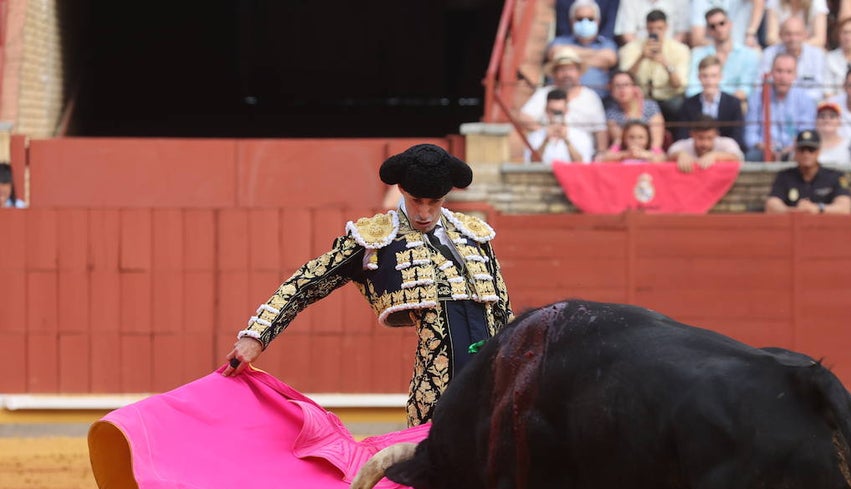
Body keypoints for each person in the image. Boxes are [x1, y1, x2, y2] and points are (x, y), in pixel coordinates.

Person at [224, 144, 514, 427]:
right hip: (438, 390)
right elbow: (305, 283)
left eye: (433, 203)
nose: (424, 213)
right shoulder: (374, 239)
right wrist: (256, 336)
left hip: (497, 378)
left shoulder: (473, 235)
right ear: (401, 190)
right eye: (416, 201)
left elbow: (503, 309)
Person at [519, 48, 610, 152]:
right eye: (562, 70)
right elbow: (523, 117)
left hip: (582, 154)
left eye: (570, 69)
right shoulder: (544, 93)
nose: (566, 74)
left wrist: (601, 153)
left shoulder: (590, 97)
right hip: (548, 150)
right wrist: (544, 131)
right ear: (554, 73)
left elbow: (600, 130)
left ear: (579, 72)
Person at [618, 9, 692, 122]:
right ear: (646, 28)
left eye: (659, 28)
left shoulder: (680, 50)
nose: (655, 32)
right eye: (651, 28)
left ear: (666, 27)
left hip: (669, 98)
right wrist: (641, 58)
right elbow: (624, 80)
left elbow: (678, 85)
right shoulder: (631, 48)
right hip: (640, 99)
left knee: (680, 107)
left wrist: (666, 63)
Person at [745, 52, 818, 159]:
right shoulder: (757, 98)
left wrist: (792, 147)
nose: (783, 77)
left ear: (795, 75)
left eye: (789, 72)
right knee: (752, 156)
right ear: (771, 73)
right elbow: (750, 135)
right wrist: (763, 146)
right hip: (763, 150)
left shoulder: (805, 99)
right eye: (779, 71)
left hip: (794, 150)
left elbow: (806, 132)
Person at [685, 6, 762, 106]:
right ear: (708, 30)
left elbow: (746, 90)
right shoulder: (698, 54)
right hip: (703, 104)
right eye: (713, 26)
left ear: (730, 24)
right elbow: (692, 89)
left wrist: (720, 103)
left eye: (722, 23)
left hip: (734, 106)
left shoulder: (749, 55)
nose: (718, 29)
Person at [765, 129, 851, 214]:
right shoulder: (784, 176)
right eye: (802, 150)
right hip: (794, 226)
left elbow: (845, 208)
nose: (806, 154)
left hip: (826, 227)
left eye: (811, 150)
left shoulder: (835, 176)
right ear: (795, 151)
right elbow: (771, 205)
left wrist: (818, 208)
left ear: (818, 151)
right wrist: (793, 211)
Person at [546, 0, 620, 98]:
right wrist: (596, 56)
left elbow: (610, 58)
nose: (585, 22)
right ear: (571, 21)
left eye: (590, 19)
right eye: (580, 19)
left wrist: (570, 57)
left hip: (600, 100)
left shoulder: (606, 43)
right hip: (561, 98)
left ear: (598, 21)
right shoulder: (559, 41)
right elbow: (555, 53)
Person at [675, 54, 747, 149]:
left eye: (713, 76)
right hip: (696, 151)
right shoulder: (688, 104)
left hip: (725, 153)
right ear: (699, 77)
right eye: (705, 76)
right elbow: (682, 136)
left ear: (720, 77)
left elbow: (737, 137)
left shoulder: (733, 103)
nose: (709, 81)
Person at [759, 16, 827, 104]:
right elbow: (761, 85)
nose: (793, 39)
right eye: (788, 34)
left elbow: (820, 89)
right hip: (775, 102)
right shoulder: (769, 54)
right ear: (780, 35)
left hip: (808, 104)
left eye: (797, 34)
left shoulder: (817, 55)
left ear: (805, 35)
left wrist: (796, 99)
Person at [524, 89, 597, 164]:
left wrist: (566, 140)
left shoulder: (581, 136)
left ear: (566, 110)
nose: (556, 115)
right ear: (546, 110)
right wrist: (545, 141)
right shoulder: (535, 136)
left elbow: (583, 165)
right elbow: (531, 164)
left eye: (559, 112)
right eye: (552, 111)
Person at [603, 69, 668, 149]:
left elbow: (656, 144)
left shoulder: (650, 106)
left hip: (651, 156)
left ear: (635, 87)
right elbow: (620, 142)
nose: (622, 90)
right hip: (625, 155)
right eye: (617, 86)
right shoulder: (611, 113)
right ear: (611, 90)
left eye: (626, 85)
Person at [667, 115, 746, 171]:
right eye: (700, 138)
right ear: (692, 134)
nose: (705, 143)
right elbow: (670, 153)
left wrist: (715, 156)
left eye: (709, 138)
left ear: (716, 135)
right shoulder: (684, 145)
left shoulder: (727, 142)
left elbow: (737, 156)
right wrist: (680, 155)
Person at [688, 0, 766, 49]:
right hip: (714, 54)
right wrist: (724, 46)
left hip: (745, 48)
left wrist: (751, 32)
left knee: (756, 53)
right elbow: (697, 39)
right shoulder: (699, 2)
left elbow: (759, 2)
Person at [615, 0, 691, 44]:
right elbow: (627, 34)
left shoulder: (681, 1)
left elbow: (682, 33)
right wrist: (643, 49)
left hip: (671, 49)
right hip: (639, 49)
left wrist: (665, 49)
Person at [765, 0, 830, 48]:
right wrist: (789, 46)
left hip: (809, 49)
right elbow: (771, 38)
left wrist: (796, 46)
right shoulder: (775, 2)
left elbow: (820, 40)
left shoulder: (817, 2)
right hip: (781, 48)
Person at [596, 118, 666, 161]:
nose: (636, 141)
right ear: (624, 138)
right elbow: (604, 158)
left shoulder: (652, 149)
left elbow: (663, 159)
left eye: (641, 137)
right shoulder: (619, 148)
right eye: (631, 137)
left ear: (648, 139)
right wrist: (625, 155)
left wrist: (646, 155)